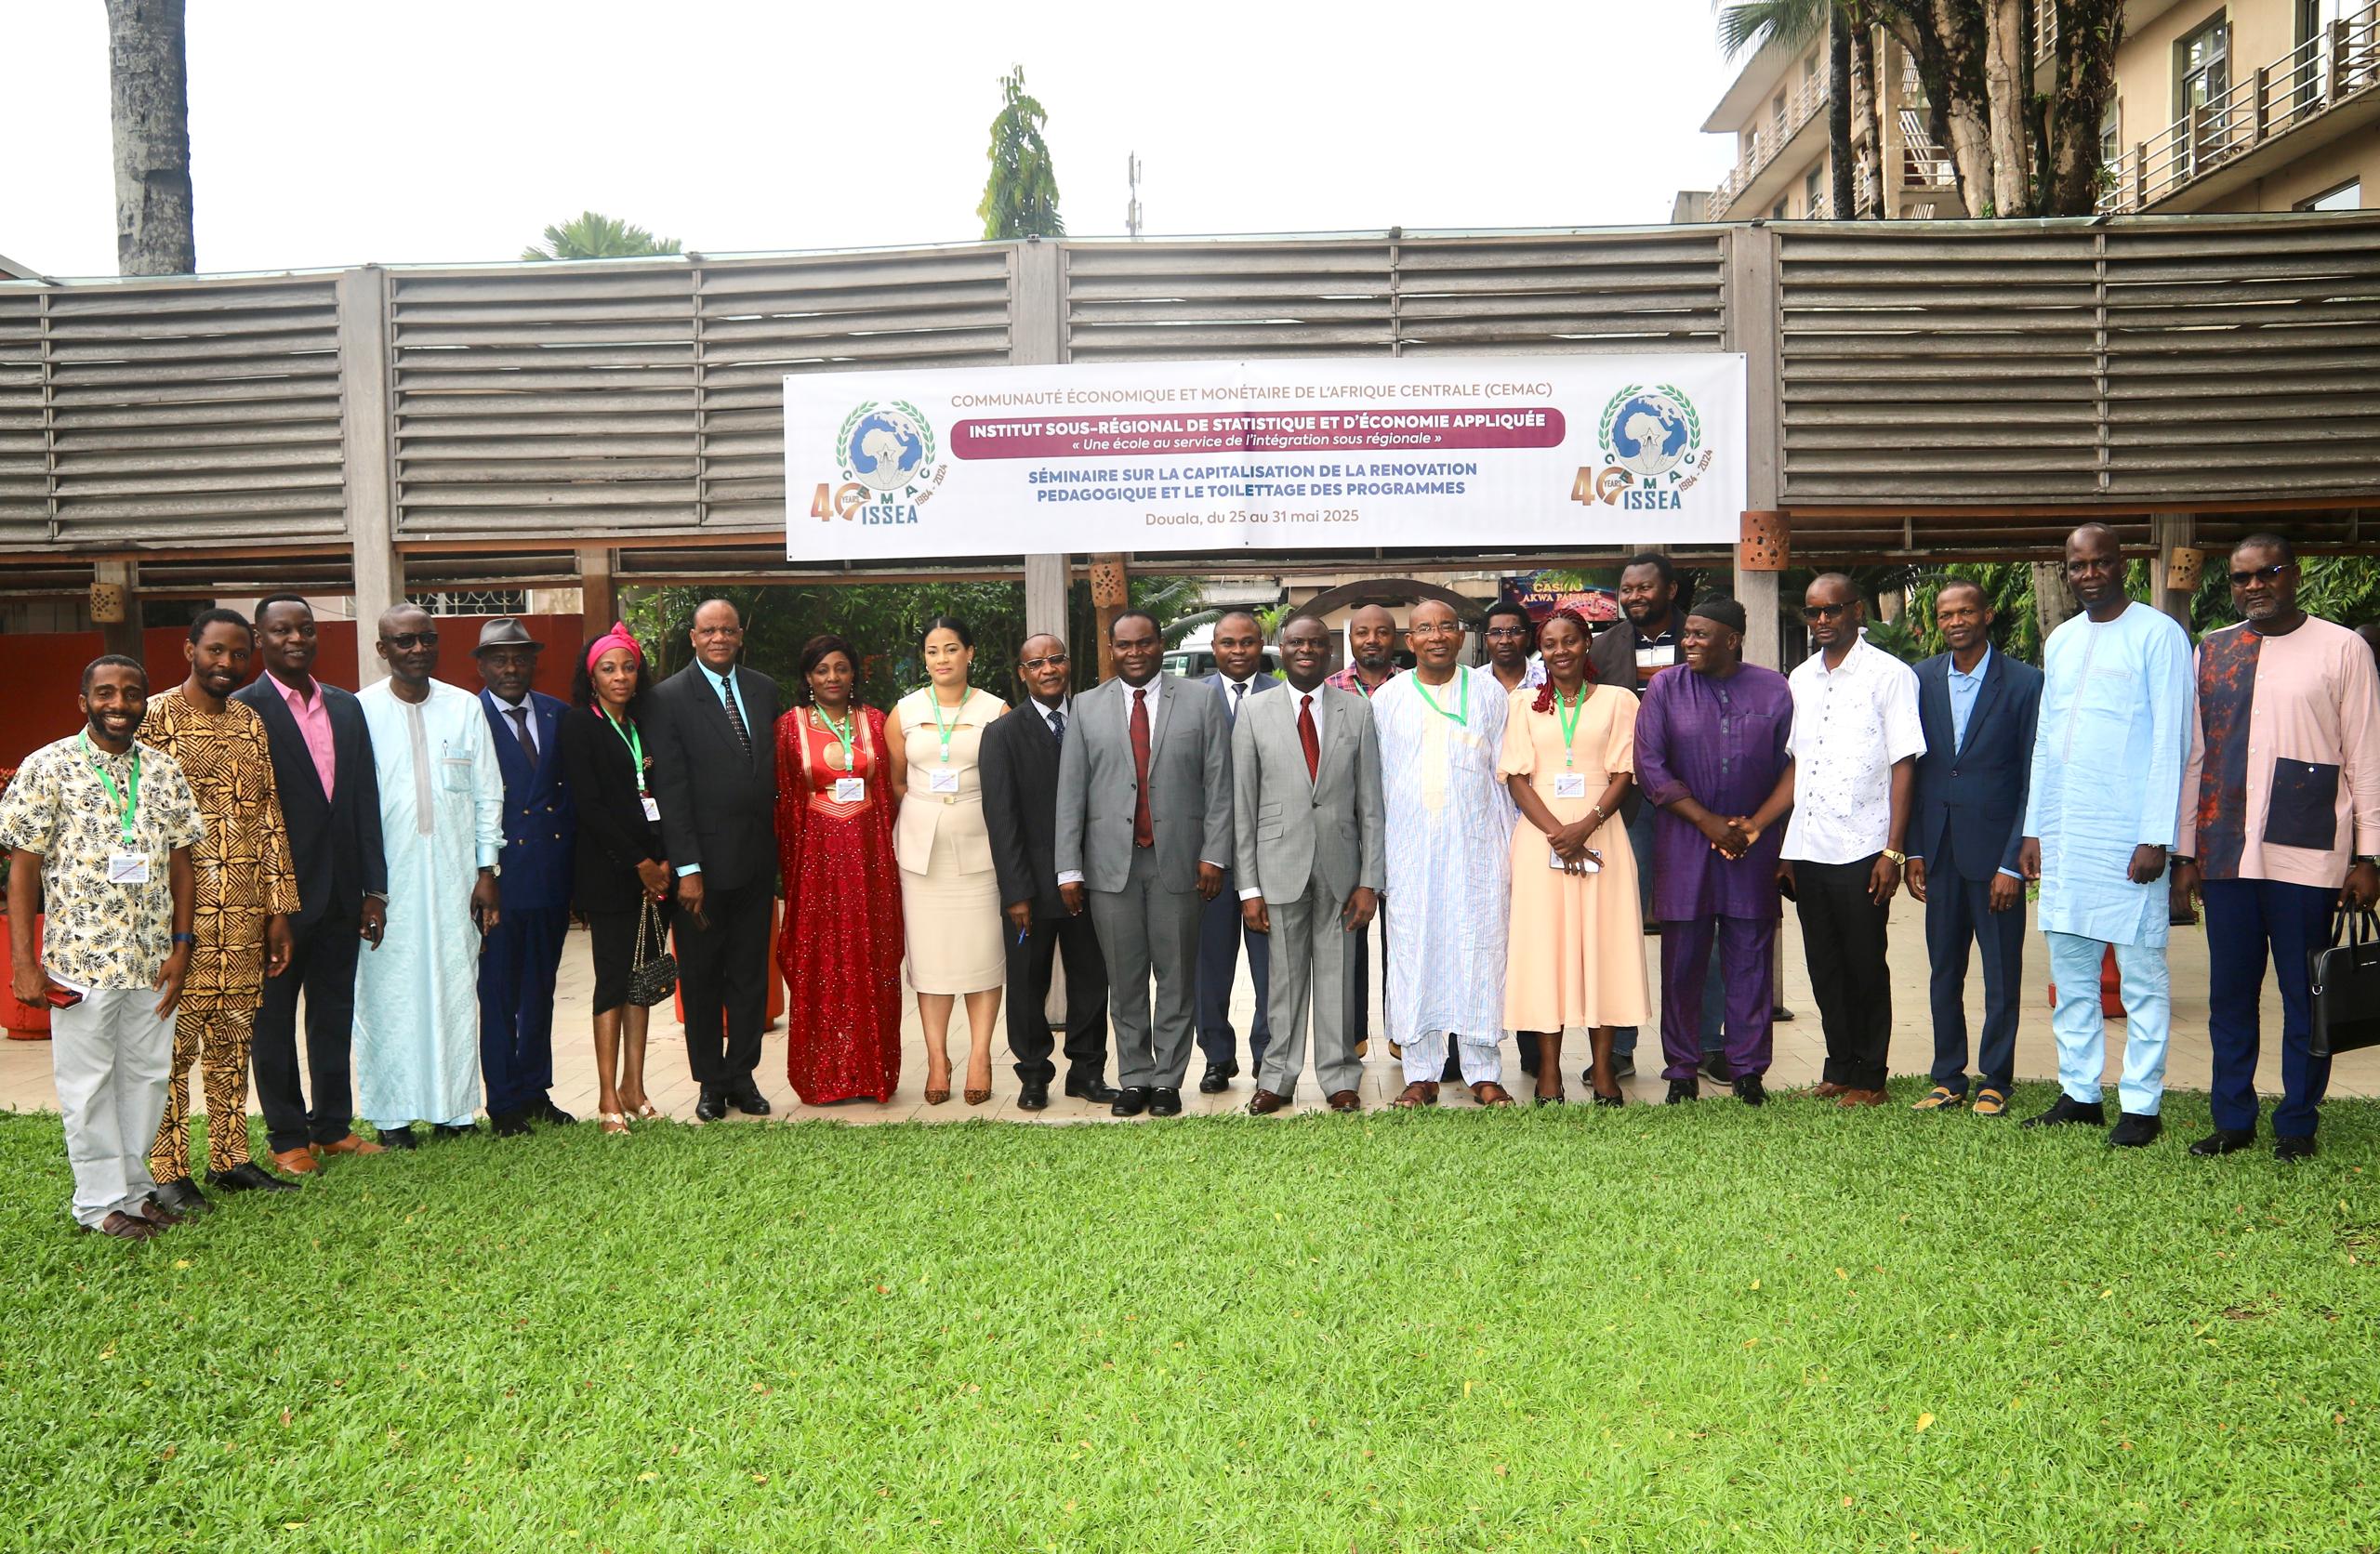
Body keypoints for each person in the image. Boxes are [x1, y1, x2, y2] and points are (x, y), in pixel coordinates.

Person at [2175, 534, 2380, 1161]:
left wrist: (2368, 856)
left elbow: (2365, 755)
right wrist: (2186, 851)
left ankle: (2297, 1123)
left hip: (2309, 854)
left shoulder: (2342, 648)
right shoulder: (2213, 651)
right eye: (2242, 578)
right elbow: (2194, 757)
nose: (2254, 586)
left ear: (2295, 574)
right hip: (2226, 851)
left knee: (2304, 993)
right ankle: (2232, 1119)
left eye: (2268, 572)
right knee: (2230, 996)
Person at [2, 656, 205, 1240]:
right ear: (84, 700)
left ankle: (135, 1193)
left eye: (132, 693)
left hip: (152, 960)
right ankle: (97, 1204)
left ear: (144, 702)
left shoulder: (163, 771)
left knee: (146, 1078)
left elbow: (182, 864)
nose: (119, 704)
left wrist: (182, 946)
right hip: (80, 962)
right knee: (88, 1085)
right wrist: (24, 963)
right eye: (106, 693)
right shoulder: (48, 766)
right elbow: (22, 871)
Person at [2017, 523, 2195, 1147]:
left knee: (2142, 976)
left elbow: (2173, 739)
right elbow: (2046, 740)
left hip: (2129, 835)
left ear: (2123, 565)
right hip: (2068, 834)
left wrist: (2157, 836)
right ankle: (2080, 1093)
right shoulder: (2062, 640)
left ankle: (2142, 1104)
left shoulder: (2159, 634)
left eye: (2100, 562)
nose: (2088, 574)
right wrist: (2035, 828)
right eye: (2077, 565)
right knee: (2071, 977)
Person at [139, 609, 301, 1211]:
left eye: (238, 654)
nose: (227, 664)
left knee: (233, 1041)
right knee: (173, 1046)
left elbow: (268, 815)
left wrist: (279, 909)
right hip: (176, 915)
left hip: (244, 911)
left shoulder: (250, 722)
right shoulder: (154, 718)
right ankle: (167, 1170)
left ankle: (231, 1159)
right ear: (189, 650)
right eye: (215, 651)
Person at [1055, 608, 1233, 1117]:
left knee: (1176, 977)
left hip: (1180, 862)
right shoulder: (1086, 706)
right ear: (1112, 650)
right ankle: (1134, 1077)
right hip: (1110, 867)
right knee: (1125, 978)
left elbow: (1220, 784)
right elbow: (1071, 792)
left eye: (1145, 643)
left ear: (1161, 645)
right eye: (1125, 645)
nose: (1135, 653)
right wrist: (1069, 868)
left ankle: (1168, 1081)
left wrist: (1214, 854)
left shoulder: (1201, 700)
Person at [232, 595, 388, 1174]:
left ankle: (332, 1127)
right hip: (275, 900)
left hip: (343, 894)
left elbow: (363, 801)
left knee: (333, 1014)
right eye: (281, 631)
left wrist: (374, 890)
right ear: (260, 639)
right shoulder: (242, 710)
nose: (296, 639)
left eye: (305, 628)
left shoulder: (346, 707)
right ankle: (286, 1137)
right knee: (272, 1021)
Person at [353, 605, 506, 1147]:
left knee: (455, 990)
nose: (418, 649)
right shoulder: (360, 710)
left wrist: (486, 870)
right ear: (383, 650)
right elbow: (353, 805)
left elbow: (488, 792)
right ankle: (391, 1116)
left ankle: (454, 1111)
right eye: (404, 641)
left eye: (427, 639)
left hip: (453, 878)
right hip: (386, 885)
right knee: (386, 997)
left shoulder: (464, 707)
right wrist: (368, 888)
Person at [1633, 598, 1796, 1105]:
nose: (1689, 642)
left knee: (1750, 957)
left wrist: (1755, 827)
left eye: (1701, 634)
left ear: (1733, 639)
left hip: (1752, 842)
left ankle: (1748, 1070)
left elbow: (1794, 762)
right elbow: (1650, 766)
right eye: (1688, 634)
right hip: (1685, 841)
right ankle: (1681, 1069)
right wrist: (1707, 822)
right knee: (1683, 960)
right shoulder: (1666, 687)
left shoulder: (1774, 688)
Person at [1780, 573, 1924, 1109]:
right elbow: (1798, 766)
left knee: (1865, 964)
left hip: (1865, 846)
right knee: (1823, 964)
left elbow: (1904, 764)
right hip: (1810, 845)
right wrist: (1786, 849)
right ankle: (1838, 1067)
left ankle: (1871, 1075)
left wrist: (1893, 850)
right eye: (1813, 612)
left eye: (1832, 610)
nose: (1821, 620)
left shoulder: (1891, 675)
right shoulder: (1800, 678)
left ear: (1856, 612)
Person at [1234, 613, 1383, 1114]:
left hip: (1342, 869)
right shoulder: (1253, 712)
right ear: (1282, 647)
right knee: (1284, 980)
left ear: (1330, 651)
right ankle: (1277, 1078)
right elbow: (1243, 804)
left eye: (1316, 643)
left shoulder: (1356, 711)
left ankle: (1339, 1076)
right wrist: (1248, 887)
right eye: (1297, 642)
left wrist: (1370, 881)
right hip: (1278, 865)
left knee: (1339, 977)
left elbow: (1371, 804)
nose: (1306, 650)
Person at [1499, 607, 1647, 1105]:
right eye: (1549, 643)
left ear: (1587, 644)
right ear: (1540, 651)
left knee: (1604, 946)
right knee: (1545, 949)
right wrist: (1558, 832)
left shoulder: (1619, 700)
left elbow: (1625, 772)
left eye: (1569, 640)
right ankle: (1548, 1073)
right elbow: (1516, 777)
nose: (1560, 650)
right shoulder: (1523, 704)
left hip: (1602, 833)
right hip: (1540, 838)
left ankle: (1603, 1070)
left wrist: (1586, 825)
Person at [1372, 599, 1515, 1107]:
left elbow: (1507, 776)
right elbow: (1377, 784)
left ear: (1461, 636)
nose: (1437, 636)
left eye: (1447, 627)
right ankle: (1420, 1073)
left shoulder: (1489, 693)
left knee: (1480, 952)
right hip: (1410, 854)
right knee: (1415, 955)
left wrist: (1512, 848)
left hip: (1479, 851)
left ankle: (1483, 1070)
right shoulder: (1387, 699)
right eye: (1425, 629)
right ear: (1409, 641)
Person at [1906, 580, 2042, 1116]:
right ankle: (1948, 1077)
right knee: (1944, 970)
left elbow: (2033, 775)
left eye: (1966, 611)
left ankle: (1996, 1078)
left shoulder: (2025, 682)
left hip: (1996, 858)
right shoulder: (1920, 678)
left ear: (1986, 615)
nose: (1956, 621)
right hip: (1938, 852)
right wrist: (1914, 851)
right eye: (1946, 614)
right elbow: (1912, 769)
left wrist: (2013, 861)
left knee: (2001, 973)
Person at [645, 598, 781, 1122]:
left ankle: (742, 1075)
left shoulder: (763, 689)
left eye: (727, 629)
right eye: (709, 631)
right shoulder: (668, 697)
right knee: (702, 980)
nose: (719, 638)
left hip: (755, 862)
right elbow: (671, 790)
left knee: (750, 976)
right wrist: (687, 868)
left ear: (740, 635)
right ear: (694, 638)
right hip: (700, 871)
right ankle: (710, 1082)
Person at [980, 632, 1116, 1111]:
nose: (1048, 669)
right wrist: (1015, 892)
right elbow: (1001, 820)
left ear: (1068, 664)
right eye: (1036, 664)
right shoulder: (1002, 734)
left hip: (1092, 881)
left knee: (1091, 980)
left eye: (1056, 659)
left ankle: (1087, 1072)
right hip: (1031, 889)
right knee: (1027, 984)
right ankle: (1033, 1074)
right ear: (1023, 674)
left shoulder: (1095, 721)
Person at [775, 633, 906, 1106]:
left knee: (871, 958)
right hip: (816, 867)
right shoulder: (790, 726)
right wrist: (792, 872)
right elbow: (786, 802)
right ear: (808, 677)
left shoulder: (875, 721)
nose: (832, 677)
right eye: (822, 670)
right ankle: (822, 1076)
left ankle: (871, 1074)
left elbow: (890, 793)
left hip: (870, 863)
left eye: (841, 668)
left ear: (854, 673)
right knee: (821, 964)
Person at [888, 616, 1008, 1105]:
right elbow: (897, 781)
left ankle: (980, 1055)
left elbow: (1006, 784)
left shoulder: (995, 710)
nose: (942, 659)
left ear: (970, 653)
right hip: (922, 853)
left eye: (952, 648)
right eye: (933, 651)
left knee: (982, 953)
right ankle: (938, 1058)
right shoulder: (905, 711)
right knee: (931, 957)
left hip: (980, 848)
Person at [557, 625, 671, 1135]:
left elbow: (663, 795)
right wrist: (638, 862)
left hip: (656, 876)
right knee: (612, 979)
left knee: (642, 979)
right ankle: (607, 1097)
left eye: (628, 667)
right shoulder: (579, 725)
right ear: (592, 677)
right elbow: (590, 806)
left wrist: (662, 862)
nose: (620, 676)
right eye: (609, 669)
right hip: (609, 873)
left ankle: (634, 1088)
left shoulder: (647, 723)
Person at [1590, 552, 1693, 1079]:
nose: (1633, 596)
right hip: (1628, 805)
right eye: (1626, 589)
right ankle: (1620, 1047)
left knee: (1698, 924)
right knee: (1621, 925)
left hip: (1696, 803)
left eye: (1644, 587)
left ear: (1670, 590)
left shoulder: (1701, 635)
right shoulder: (1602, 648)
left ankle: (1705, 1043)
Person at [472, 618, 576, 1136]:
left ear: (534, 662)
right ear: (482, 666)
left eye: (520, 658)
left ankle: (536, 1090)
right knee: (498, 992)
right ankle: (504, 1100)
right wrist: (482, 872)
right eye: (499, 659)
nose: (511, 668)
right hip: (500, 880)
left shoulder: (558, 713)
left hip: (551, 877)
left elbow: (572, 796)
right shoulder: (469, 717)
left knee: (540, 988)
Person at [1195, 610, 1278, 1093]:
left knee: (1270, 967)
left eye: (1247, 642)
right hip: (1209, 861)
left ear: (1260, 645)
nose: (1238, 650)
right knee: (1210, 964)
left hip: (1267, 857)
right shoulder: (1192, 699)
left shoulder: (1281, 696)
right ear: (1215, 648)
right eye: (1228, 643)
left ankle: (1267, 1056)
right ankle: (1216, 1057)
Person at [1326, 602, 1401, 1059]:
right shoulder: (1329, 688)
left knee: (1402, 937)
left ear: (1396, 638)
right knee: (1350, 934)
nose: (1372, 640)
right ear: (1350, 639)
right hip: (1347, 831)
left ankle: (1401, 1031)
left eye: (1382, 632)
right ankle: (1353, 1035)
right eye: (1362, 632)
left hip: (1404, 827)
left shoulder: (1412, 686)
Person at [1482, 599, 1544, 693]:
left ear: (1528, 638)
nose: (1505, 641)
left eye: (1515, 632)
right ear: (1485, 640)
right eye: (1496, 633)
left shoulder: (1548, 680)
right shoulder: (1473, 683)